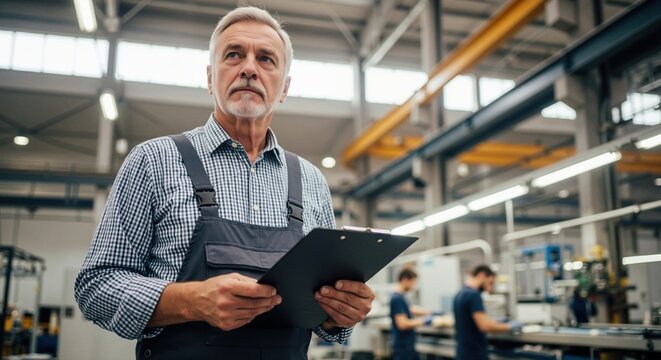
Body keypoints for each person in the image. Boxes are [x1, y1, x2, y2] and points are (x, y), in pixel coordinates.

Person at [74, 6, 375, 360]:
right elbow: (96, 286)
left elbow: (322, 315)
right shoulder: (153, 161)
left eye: (266, 59)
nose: (249, 68)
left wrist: (342, 313)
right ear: (209, 77)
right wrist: (190, 301)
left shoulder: (311, 181)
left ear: (285, 88)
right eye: (234, 55)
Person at [453, 265, 522, 360]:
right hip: (475, 354)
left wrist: (495, 322)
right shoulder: (474, 295)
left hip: (463, 353)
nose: (489, 289)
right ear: (482, 275)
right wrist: (510, 326)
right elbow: (484, 326)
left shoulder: (460, 293)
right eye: (490, 283)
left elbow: (470, 322)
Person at [389, 268, 434, 360]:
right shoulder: (397, 298)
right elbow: (402, 324)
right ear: (405, 280)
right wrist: (424, 321)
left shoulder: (401, 296)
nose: (414, 286)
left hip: (406, 343)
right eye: (413, 282)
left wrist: (430, 312)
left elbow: (409, 309)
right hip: (403, 344)